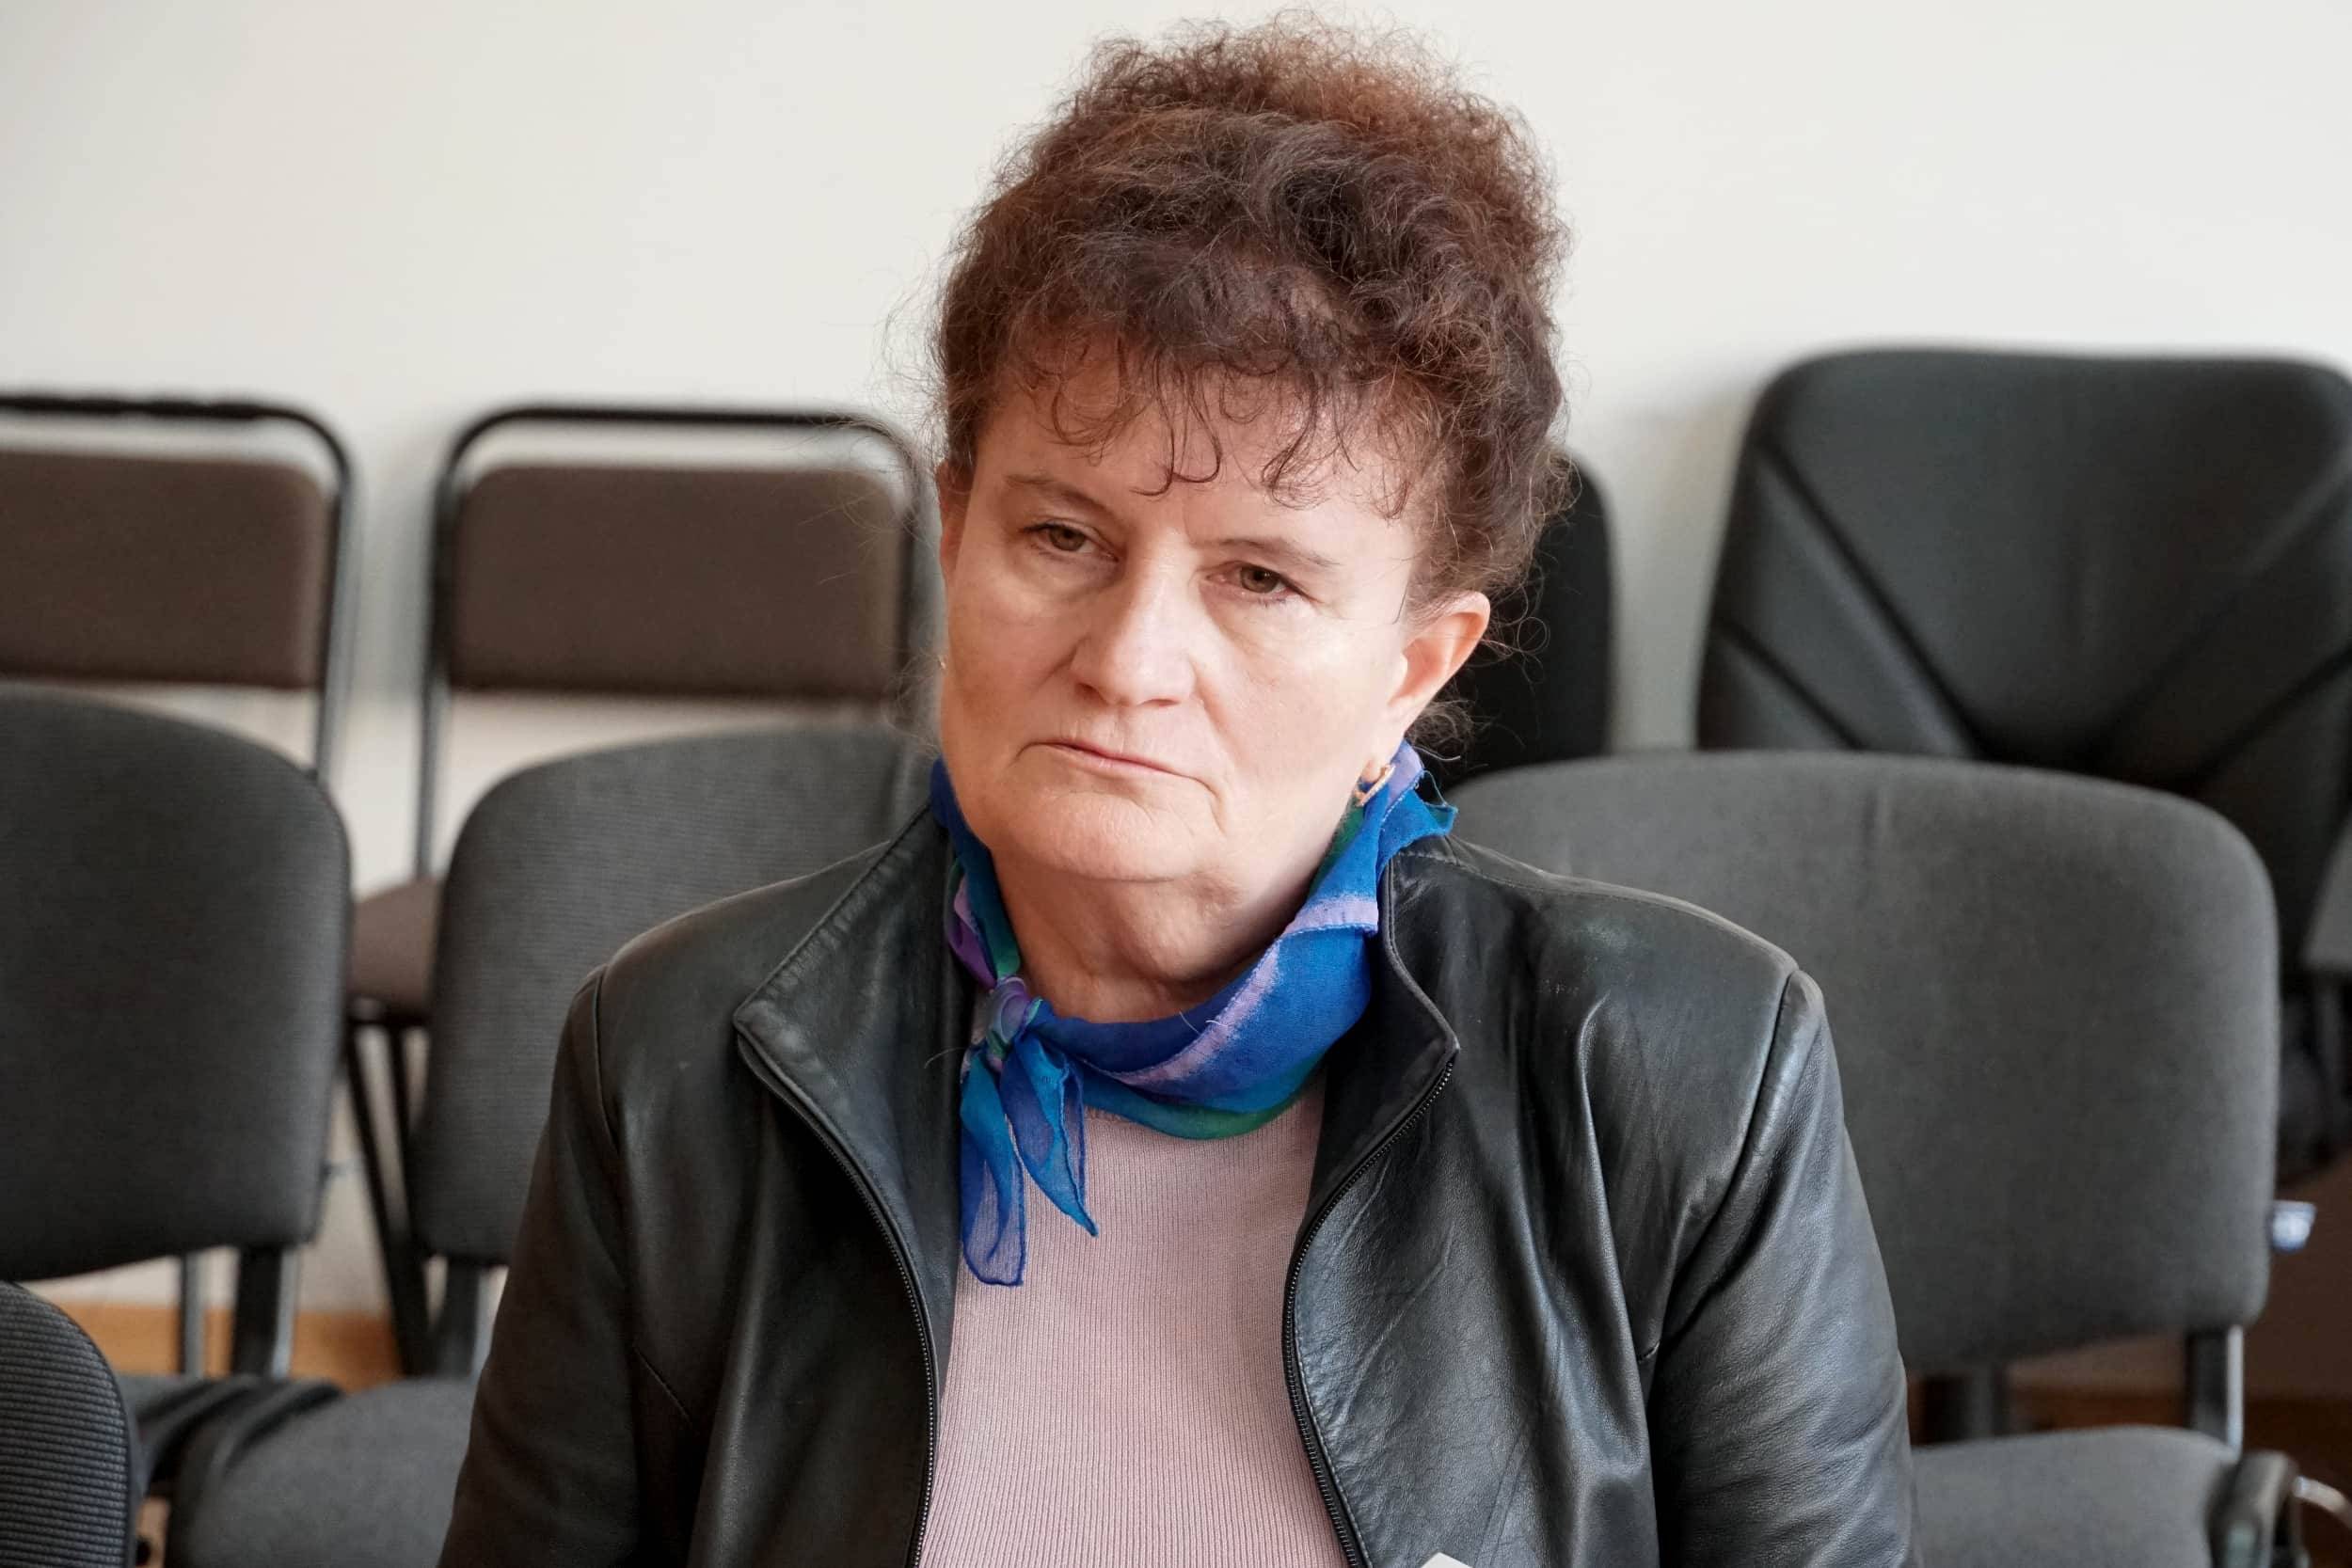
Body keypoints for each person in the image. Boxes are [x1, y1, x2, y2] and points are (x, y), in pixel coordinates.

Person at [437, 17, 1916, 1567]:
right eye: (1062, 538)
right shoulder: (670, 1062)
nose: (1129, 661)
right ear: (953, 538)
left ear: (1412, 669)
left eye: (1260, 578)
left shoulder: (1689, 1078)